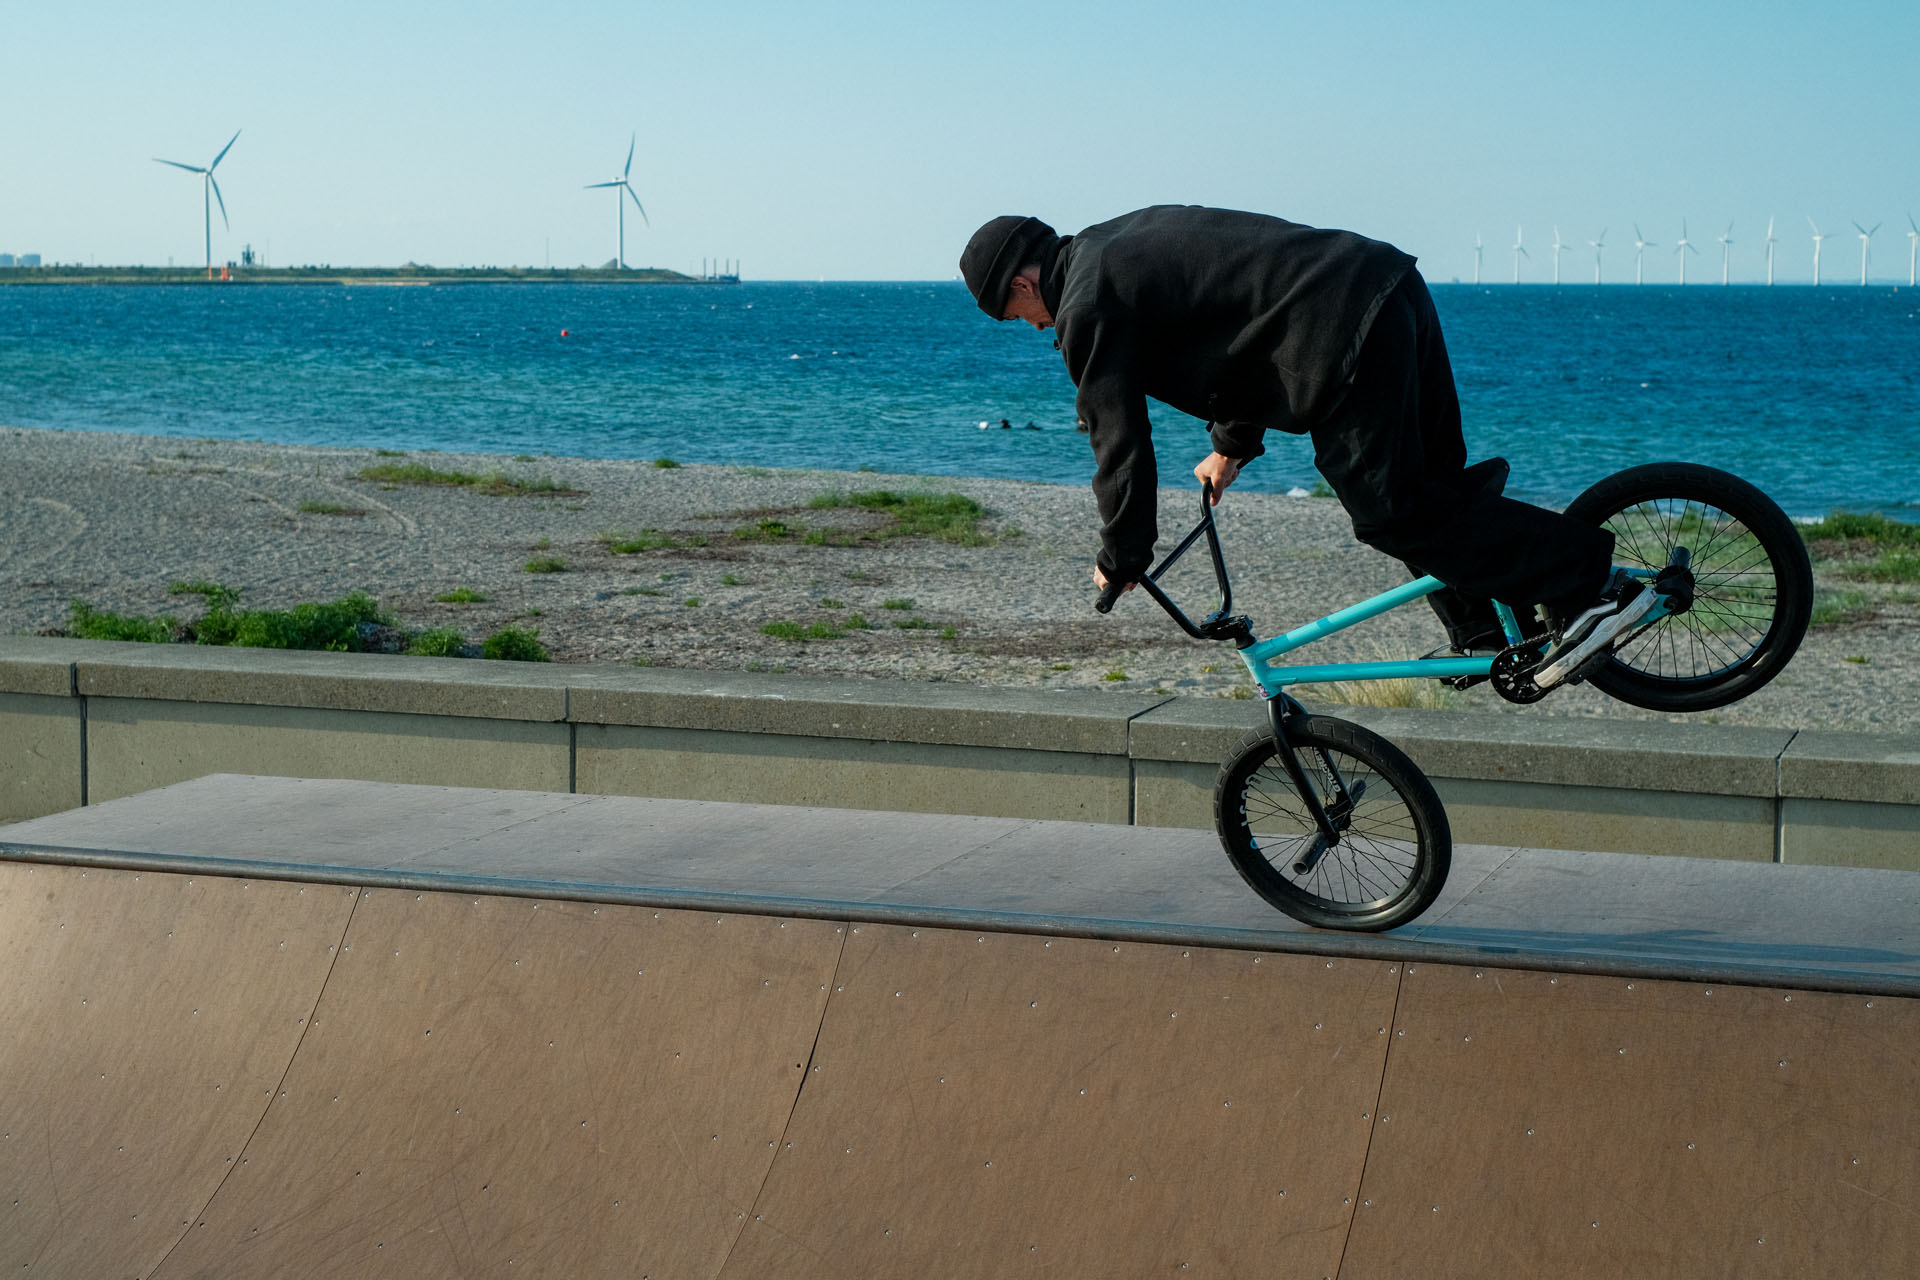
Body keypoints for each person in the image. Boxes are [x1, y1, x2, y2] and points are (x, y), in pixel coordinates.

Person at [959, 206, 1657, 683]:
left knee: (1389, 510)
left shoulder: (1084, 305)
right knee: (1432, 488)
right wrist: (1231, 444)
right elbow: (1233, 315)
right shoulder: (1112, 244)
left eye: (1017, 313)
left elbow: (1119, 443)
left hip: (1342, 330)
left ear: (1023, 282)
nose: (1031, 326)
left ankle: (1592, 584)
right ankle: (1483, 639)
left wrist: (1122, 558)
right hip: (1386, 285)